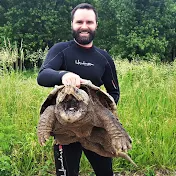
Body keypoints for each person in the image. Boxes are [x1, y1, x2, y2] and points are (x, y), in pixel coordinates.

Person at [37, 3, 120, 176]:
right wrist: (63, 75)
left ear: (96, 24)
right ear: (72, 24)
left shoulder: (104, 58)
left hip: (94, 129)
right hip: (65, 127)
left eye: (89, 22)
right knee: (66, 173)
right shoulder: (61, 49)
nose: (84, 26)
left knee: (105, 172)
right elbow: (43, 75)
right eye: (79, 22)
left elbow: (114, 92)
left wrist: (99, 114)